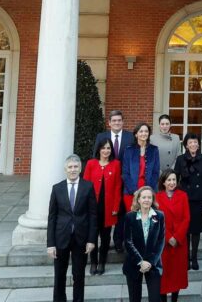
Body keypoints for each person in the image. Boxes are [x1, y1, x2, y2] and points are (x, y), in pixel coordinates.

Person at [47, 154, 97, 302]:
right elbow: (52, 217)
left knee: (79, 275)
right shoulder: (57, 188)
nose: (73, 170)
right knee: (60, 275)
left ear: (80, 168)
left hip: (81, 239)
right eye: (70, 167)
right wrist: (50, 244)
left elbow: (93, 215)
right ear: (65, 169)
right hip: (61, 238)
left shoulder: (88, 187)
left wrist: (91, 240)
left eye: (76, 167)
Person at [93, 109, 134, 253]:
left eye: (119, 120)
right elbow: (95, 157)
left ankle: (118, 241)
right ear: (109, 123)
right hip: (107, 181)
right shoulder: (101, 136)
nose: (117, 123)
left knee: (122, 211)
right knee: (107, 210)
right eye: (114, 121)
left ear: (123, 122)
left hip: (126, 179)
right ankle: (103, 240)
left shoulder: (130, 137)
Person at [83, 139, 122, 275]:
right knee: (92, 236)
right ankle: (93, 262)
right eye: (103, 148)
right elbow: (85, 186)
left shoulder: (116, 164)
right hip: (93, 208)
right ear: (98, 149)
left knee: (105, 238)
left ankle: (102, 262)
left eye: (108, 148)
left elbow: (118, 187)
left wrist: (116, 206)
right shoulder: (91, 164)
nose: (106, 151)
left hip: (108, 208)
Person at [174, 132, 202, 271]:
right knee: (185, 230)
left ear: (198, 144)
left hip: (199, 200)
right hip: (184, 199)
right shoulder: (180, 159)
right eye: (190, 143)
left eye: (195, 142)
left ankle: (194, 258)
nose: (193, 145)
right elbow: (175, 180)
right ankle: (184, 258)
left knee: (195, 231)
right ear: (186, 145)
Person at [123, 186, 166, 302]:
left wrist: (150, 262)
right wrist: (140, 262)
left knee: (155, 299)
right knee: (135, 298)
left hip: (153, 263)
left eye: (149, 197)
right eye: (144, 197)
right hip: (134, 263)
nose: (146, 200)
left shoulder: (160, 216)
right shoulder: (129, 217)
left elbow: (160, 241)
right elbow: (127, 241)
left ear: (152, 200)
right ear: (138, 200)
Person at [155, 170, 190, 302]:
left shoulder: (183, 195)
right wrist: (168, 237)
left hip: (179, 242)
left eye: (174, 180)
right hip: (164, 242)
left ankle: (174, 299)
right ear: (163, 182)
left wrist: (177, 237)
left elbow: (186, 218)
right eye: (169, 180)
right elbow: (156, 219)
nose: (172, 182)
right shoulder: (157, 197)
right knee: (164, 275)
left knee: (177, 274)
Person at [123, 123, 160, 210]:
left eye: (146, 131)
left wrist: (148, 191)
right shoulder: (129, 150)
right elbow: (125, 173)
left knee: (147, 219)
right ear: (136, 134)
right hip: (131, 191)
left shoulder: (154, 150)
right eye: (141, 131)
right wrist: (134, 191)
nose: (144, 133)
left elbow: (156, 172)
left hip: (149, 190)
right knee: (133, 219)